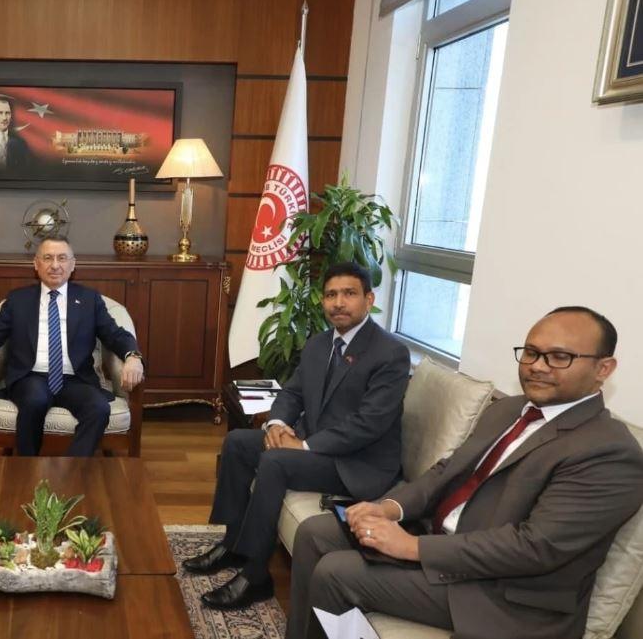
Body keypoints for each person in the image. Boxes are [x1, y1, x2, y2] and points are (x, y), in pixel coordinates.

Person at [287, 307, 643, 639]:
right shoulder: (510, 409)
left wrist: (413, 547)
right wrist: (389, 508)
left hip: (502, 592)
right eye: (532, 353)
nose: (538, 366)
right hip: (442, 542)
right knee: (316, 533)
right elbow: (447, 471)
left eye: (559, 357)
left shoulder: (610, 452)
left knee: (337, 574)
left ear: (604, 369)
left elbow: (535, 547)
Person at [185, 262, 410, 610]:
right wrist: (276, 424)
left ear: (369, 299)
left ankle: (256, 576)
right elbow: (293, 393)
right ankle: (232, 544)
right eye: (331, 295)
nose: (338, 303)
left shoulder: (390, 353)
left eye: (349, 294)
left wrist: (304, 445)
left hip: (356, 461)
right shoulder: (320, 343)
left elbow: (369, 424)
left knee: (276, 461)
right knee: (239, 443)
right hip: (317, 446)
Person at [0, 237, 144, 456]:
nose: (55, 265)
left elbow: (115, 335)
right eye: (48, 258)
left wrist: (133, 356)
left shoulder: (89, 300)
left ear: (73, 265)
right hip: (31, 376)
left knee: (98, 408)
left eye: (62, 258)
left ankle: (72, 469)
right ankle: (27, 466)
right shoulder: (18, 300)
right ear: (36, 264)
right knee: (34, 400)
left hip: (75, 379)